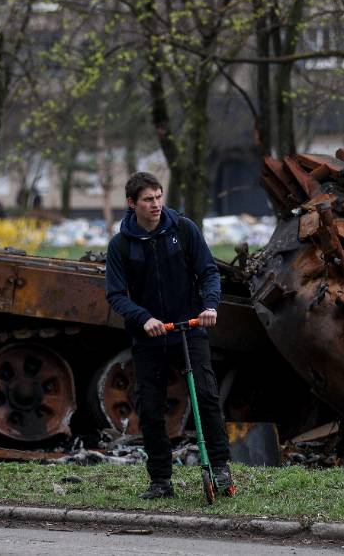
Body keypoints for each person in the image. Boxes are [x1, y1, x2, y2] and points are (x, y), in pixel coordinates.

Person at [105, 172, 233, 499]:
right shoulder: (121, 245)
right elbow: (116, 295)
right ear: (132, 204)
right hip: (149, 337)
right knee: (150, 408)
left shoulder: (183, 229)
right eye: (149, 199)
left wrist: (210, 306)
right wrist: (143, 318)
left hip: (188, 329)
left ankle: (220, 468)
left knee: (206, 396)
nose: (156, 205)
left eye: (159, 197)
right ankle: (161, 480)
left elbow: (208, 272)